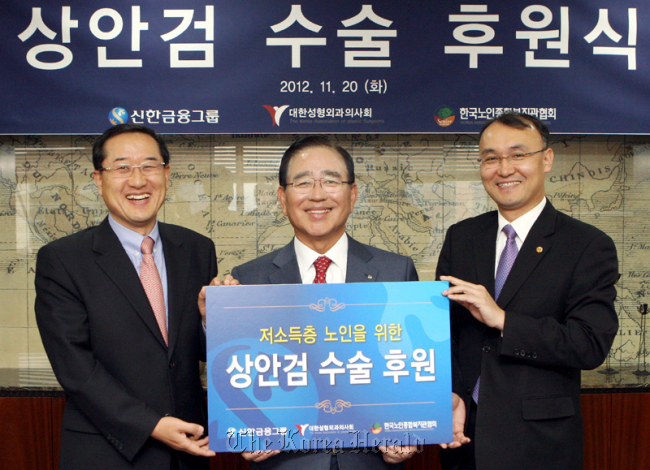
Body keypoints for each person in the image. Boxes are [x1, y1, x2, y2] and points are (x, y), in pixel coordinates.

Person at [204, 135, 419, 470]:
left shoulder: (396, 270)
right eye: (302, 182)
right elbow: (237, 375)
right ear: (282, 197)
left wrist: (408, 436)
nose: (317, 194)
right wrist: (214, 321)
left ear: (353, 193)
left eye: (331, 181)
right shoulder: (249, 279)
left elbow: (409, 369)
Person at [436, 112, 619, 470]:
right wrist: (453, 393)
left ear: (546, 159)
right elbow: (446, 332)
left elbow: (589, 344)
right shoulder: (462, 237)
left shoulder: (587, 245)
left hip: (540, 444)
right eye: (490, 158)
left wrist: (503, 320)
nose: (504, 169)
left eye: (518, 155)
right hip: (464, 437)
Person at [35, 124, 218, 470]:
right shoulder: (62, 259)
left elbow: (196, 351)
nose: (138, 181)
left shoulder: (196, 249)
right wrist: (151, 425)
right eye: (122, 168)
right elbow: (75, 368)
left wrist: (211, 322)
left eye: (149, 166)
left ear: (166, 174)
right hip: (107, 451)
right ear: (98, 179)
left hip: (188, 451)